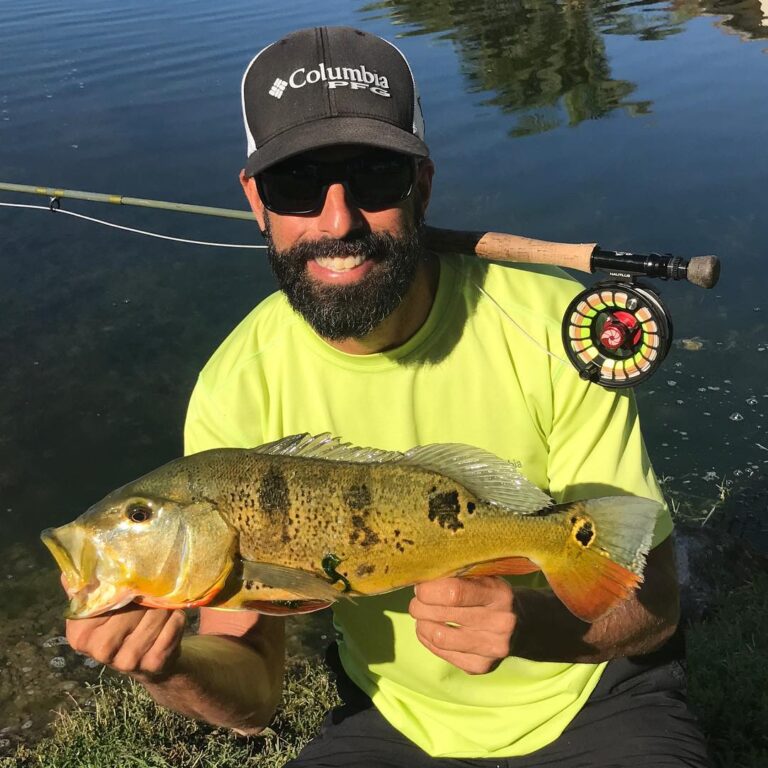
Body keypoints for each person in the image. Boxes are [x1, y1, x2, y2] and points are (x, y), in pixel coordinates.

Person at [66, 26, 711, 767]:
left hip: (591, 696)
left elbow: (651, 610)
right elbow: (254, 691)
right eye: (297, 186)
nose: (338, 222)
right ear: (255, 200)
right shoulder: (236, 385)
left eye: (374, 178)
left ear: (423, 187)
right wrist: (171, 665)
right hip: (394, 720)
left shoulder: (548, 328)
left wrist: (534, 626)